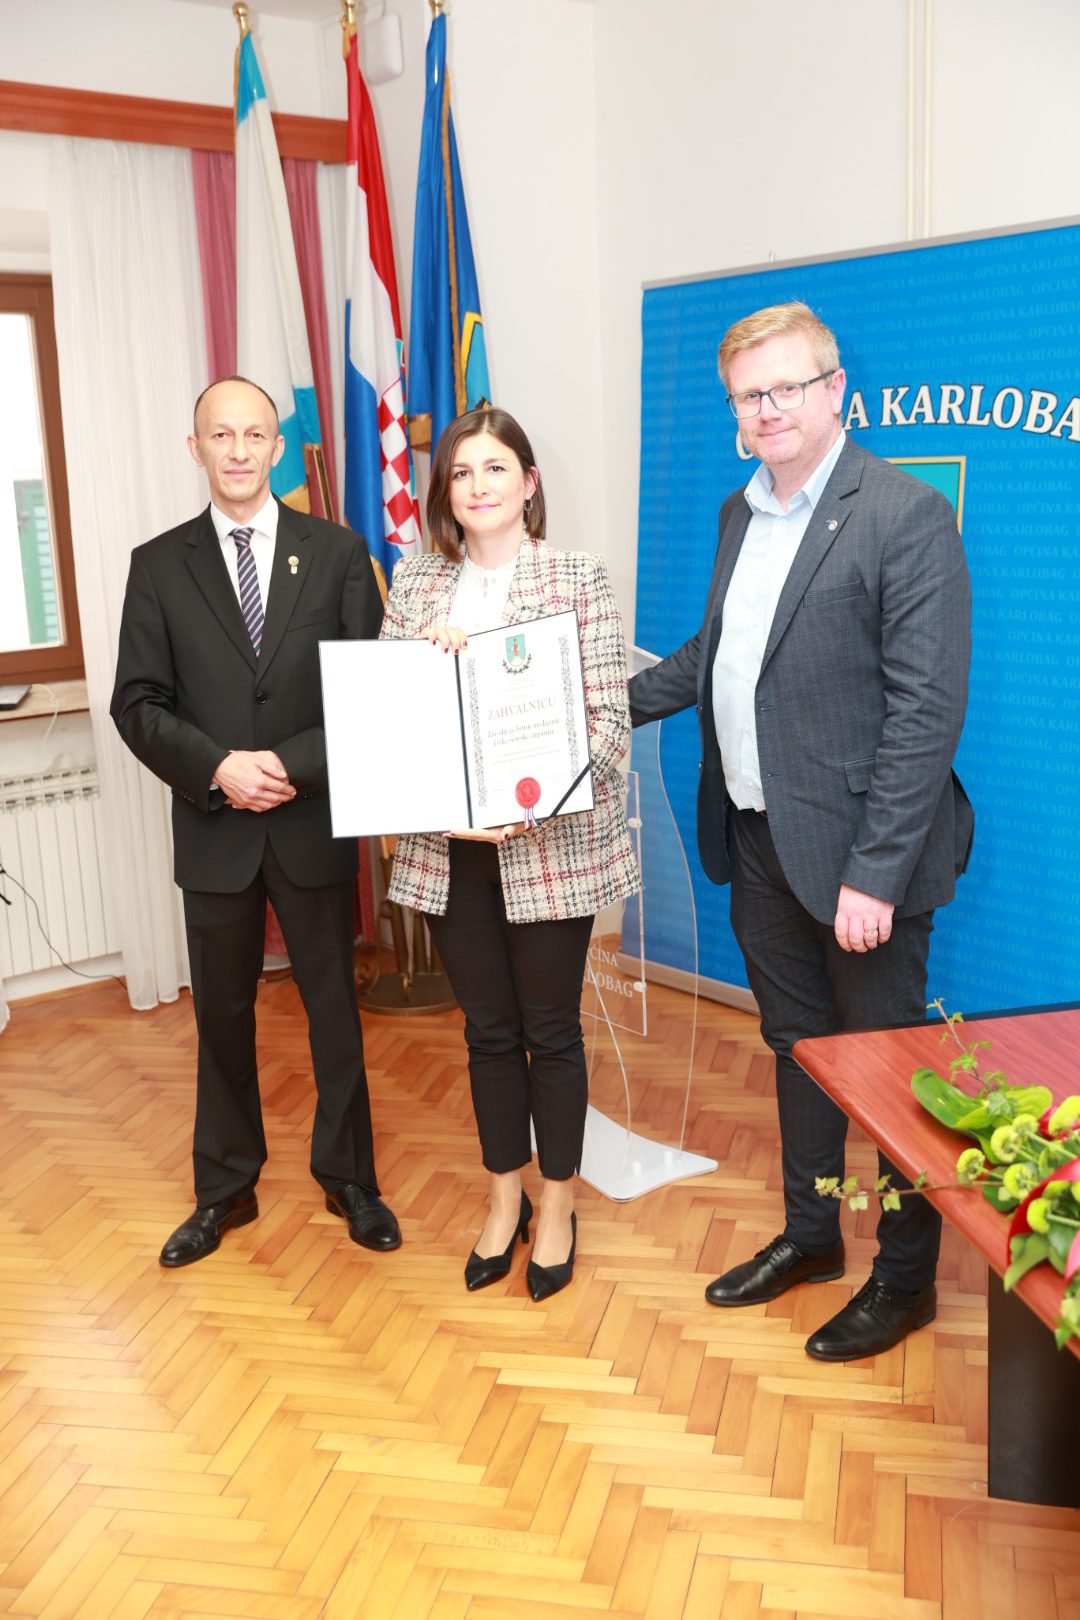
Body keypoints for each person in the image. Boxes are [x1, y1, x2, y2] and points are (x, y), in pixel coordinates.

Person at [629, 302, 973, 1361]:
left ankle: (905, 1282)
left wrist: (876, 876)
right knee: (798, 1049)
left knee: (890, 1071)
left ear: (835, 391)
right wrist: (600, 701)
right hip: (759, 840)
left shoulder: (905, 514)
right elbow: (720, 653)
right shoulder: (741, 515)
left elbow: (926, 713)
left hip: (864, 861)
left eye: (786, 387)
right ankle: (813, 1237)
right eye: (748, 395)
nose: (766, 409)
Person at [111, 375, 401, 1267]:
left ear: (278, 447)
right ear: (194, 447)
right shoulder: (158, 565)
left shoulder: (340, 553)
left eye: (253, 435)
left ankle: (350, 1179)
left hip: (311, 823)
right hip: (215, 831)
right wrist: (219, 768)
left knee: (334, 1016)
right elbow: (137, 703)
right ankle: (224, 1189)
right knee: (223, 1019)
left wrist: (286, 767)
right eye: (220, 434)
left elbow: (371, 691)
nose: (238, 450)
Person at [381, 406, 639, 1299]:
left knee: (550, 1031)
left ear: (529, 483)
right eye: (461, 472)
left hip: (549, 847)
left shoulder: (576, 576)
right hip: (446, 851)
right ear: (444, 491)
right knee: (487, 1032)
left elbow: (608, 727)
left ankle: (557, 1205)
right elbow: (391, 720)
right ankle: (505, 1199)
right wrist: (427, 663)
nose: (478, 486)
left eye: (495, 468)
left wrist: (529, 806)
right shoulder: (417, 583)